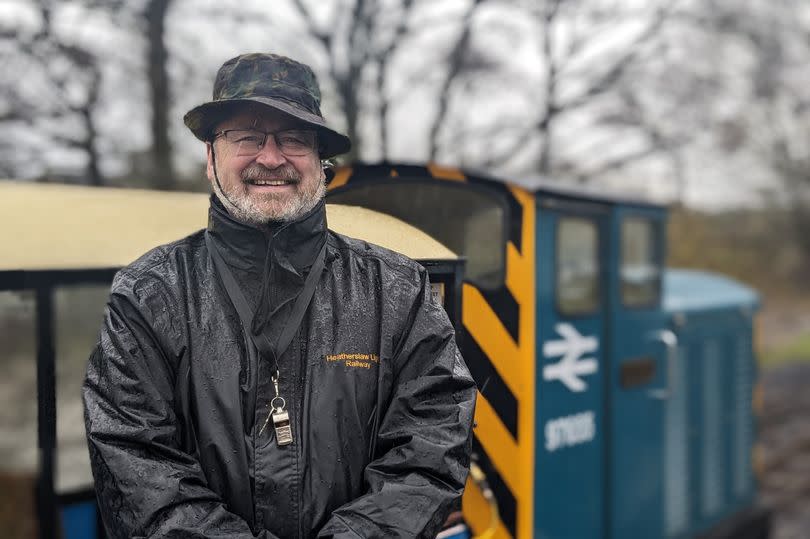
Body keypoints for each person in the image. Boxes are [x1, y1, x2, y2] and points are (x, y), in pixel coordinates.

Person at [82, 52, 477, 538]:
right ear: (211, 157)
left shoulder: (397, 289)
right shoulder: (149, 295)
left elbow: (433, 443)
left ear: (321, 163)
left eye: (294, 139)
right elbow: (134, 462)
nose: (272, 157)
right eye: (247, 137)